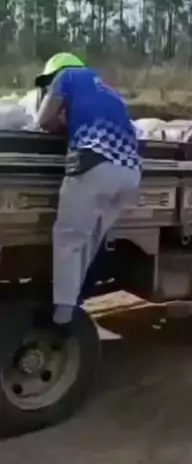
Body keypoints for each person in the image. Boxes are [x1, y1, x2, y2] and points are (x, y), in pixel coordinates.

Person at [35, 53, 141, 330]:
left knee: (69, 239)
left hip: (94, 164)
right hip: (130, 172)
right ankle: (74, 302)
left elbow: (43, 120)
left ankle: (61, 317)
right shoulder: (110, 90)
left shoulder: (66, 76)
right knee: (89, 240)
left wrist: (62, 126)